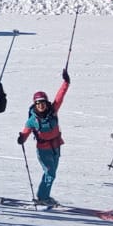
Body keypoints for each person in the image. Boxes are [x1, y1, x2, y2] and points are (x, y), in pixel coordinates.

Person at [16, 69, 71, 205]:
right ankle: (42, 197)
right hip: (43, 149)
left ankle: (44, 195)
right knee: (50, 173)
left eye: (43, 102)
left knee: (52, 174)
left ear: (46, 103)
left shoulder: (53, 111)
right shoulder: (32, 120)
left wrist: (66, 82)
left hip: (56, 146)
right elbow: (26, 131)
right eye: (38, 103)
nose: (41, 105)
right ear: (35, 104)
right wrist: (22, 138)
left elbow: (60, 96)